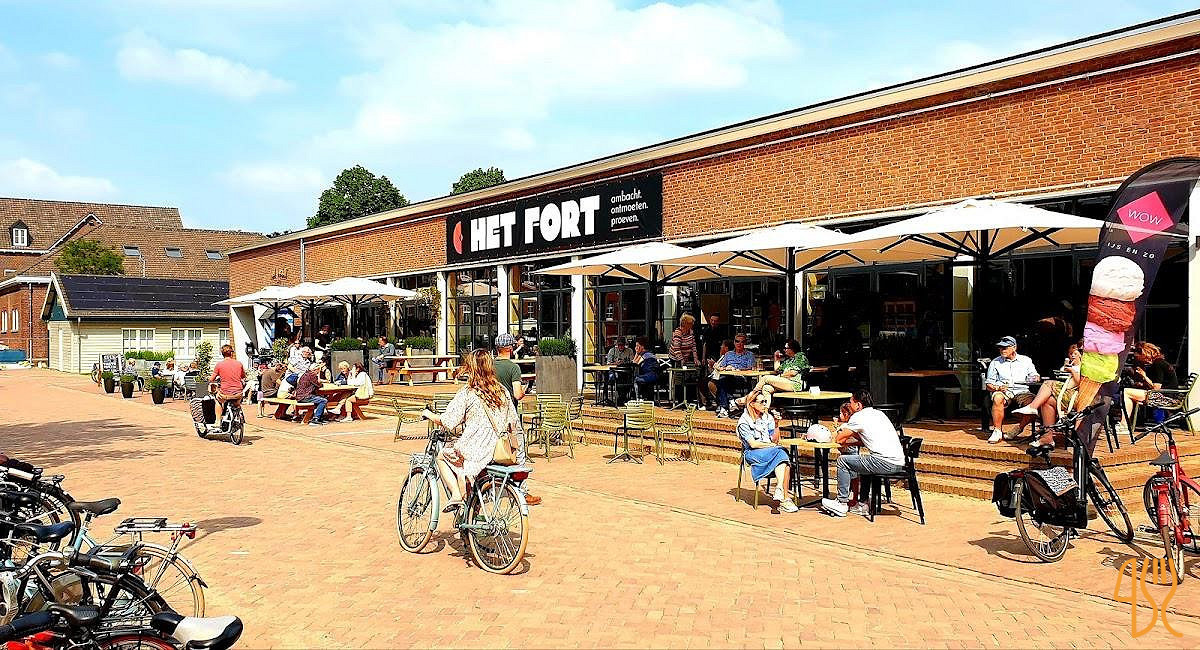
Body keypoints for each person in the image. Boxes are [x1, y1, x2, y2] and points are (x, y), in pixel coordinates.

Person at [421, 350, 522, 511]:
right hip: (498, 448)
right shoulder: (502, 390)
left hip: (476, 448)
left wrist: (429, 414)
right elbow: (513, 420)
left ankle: (456, 495)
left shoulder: (468, 391)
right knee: (470, 475)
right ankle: (471, 510)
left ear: (471, 368)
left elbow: (448, 421)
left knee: (442, 457)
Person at [821, 389, 906, 518]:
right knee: (865, 463)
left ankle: (841, 503)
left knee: (842, 461)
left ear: (858, 405)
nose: (849, 405)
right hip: (898, 463)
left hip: (884, 462)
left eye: (851, 402)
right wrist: (853, 441)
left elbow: (839, 439)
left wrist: (845, 438)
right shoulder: (879, 414)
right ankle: (862, 504)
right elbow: (865, 440)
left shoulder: (858, 416)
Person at [493, 334, 541, 505]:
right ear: (510, 348)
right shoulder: (513, 368)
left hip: (491, 416)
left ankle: (492, 489)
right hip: (509, 417)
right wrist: (525, 390)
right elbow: (517, 394)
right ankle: (522, 492)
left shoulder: (489, 366)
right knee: (518, 452)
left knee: (494, 453)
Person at [736, 384, 798, 513]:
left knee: (784, 459)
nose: (765, 404)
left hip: (770, 451)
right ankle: (784, 499)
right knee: (783, 455)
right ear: (752, 404)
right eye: (762, 402)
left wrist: (776, 424)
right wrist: (771, 445)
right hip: (753, 452)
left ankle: (780, 490)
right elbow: (753, 444)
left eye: (766, 401)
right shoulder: (744, 422)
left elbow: (775, 440)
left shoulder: (767, 417)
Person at [1016, 343, 1081, 450]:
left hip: (1080, 398)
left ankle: (1032, 407)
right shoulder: (1069, 365)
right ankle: (1048, 437)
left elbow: (1080, 383)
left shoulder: (1085, 366)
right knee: (1047, 401)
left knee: (1048, 383)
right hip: (1066, 394)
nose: (1072, 356)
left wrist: (1072, 370)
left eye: (1075, 353)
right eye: (1070, 354)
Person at [984, 335, 1040, 444]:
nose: (1002, 350)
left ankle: (1018, 429)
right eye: (1000, 348)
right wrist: (997, 387)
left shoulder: (1026, 360)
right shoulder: (995, 362)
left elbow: (1035, 375)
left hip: (1022, 390)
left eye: (1005, 348)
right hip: (1003, 391)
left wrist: (1035, 377)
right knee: (997, 397)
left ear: (1014, 348)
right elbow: (988, 384)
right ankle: (997, 431)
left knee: (1035, 403)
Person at [1120, 341, 1179, 434]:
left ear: (1144, 354)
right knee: (1130, 393)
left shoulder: (1158, 364)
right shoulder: (1160, 362)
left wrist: (1144, 376)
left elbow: (1156, 388)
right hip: (1167, 395)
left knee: (1126, 392)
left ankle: (1123, 426)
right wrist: (1142, 384)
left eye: (1138, 356)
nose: (1138, 359)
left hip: (1165, 397)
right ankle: (1129, 423)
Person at [743, 339, 810, 399]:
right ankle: (765, 407)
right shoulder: (789, 360)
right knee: (766, 388)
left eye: (786, 348)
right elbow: (777, 370)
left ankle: (747, 398)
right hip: (786, 382)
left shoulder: (800, 356)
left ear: (792, 349)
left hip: (795, 384)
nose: (784, 350)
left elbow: (792, 373)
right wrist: (776, 358)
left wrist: (779, 377)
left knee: (765, 378)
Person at [714, 334, 755, 418]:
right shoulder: (728, 354)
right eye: (737, 341)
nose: (739, 343)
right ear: (734, 342)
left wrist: (736, 369)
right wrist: (725, 368)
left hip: (741, 378)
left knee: (722, 381)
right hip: (727, 377)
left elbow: (750, 368)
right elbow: (721, 367)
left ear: (745, 343)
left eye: (742, 342)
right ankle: (730, 402)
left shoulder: (749, 354)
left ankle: (725, 407)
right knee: (722, 380)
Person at [209, 344, 247, 423]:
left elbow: (211, 379)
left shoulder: (219, 365)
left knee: (218, 400)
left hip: (225, 393)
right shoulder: (239, 364)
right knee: (237, 402)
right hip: (238, 393)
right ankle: (238, 413)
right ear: (231, 353)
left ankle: (217, 421)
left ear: (222, 354)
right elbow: (243, 376)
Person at [293, 360, 328, 426]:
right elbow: (319, 385)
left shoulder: (306, 374)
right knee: (323, 400)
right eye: (318, 370)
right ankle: (316, 419)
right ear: (315, 370)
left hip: (300, 396)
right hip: (305, 396)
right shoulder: (312, 375)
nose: (319, 371)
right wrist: (319, 374)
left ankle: (319, 418)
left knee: (321, 398)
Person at [700, 339, 731, 410]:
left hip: (723, 376)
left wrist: (714, 364)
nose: (721, 347)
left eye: (722, 346)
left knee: (710, 383)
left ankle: (719, 403)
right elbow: (715, 369)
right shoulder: (722, 356)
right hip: (716, 375)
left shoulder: (728, 356)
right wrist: (711, 366)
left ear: (726, 348)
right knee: (702, 381)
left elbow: (721, 368)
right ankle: (706, 403)